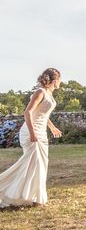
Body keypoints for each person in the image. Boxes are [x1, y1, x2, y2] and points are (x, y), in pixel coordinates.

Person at [0, 68, 62, 208]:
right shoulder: (40, 92)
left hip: (41, 131)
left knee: (39, 165)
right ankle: (36, 200)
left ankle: (34, 197)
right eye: (60, 80)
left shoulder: (49, 93)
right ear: (54, 80)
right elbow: (27, 112)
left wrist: (52, 127)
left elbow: (43, 114)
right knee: (36, 164)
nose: (60, 82)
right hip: (31, 132)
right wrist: (32, 133)